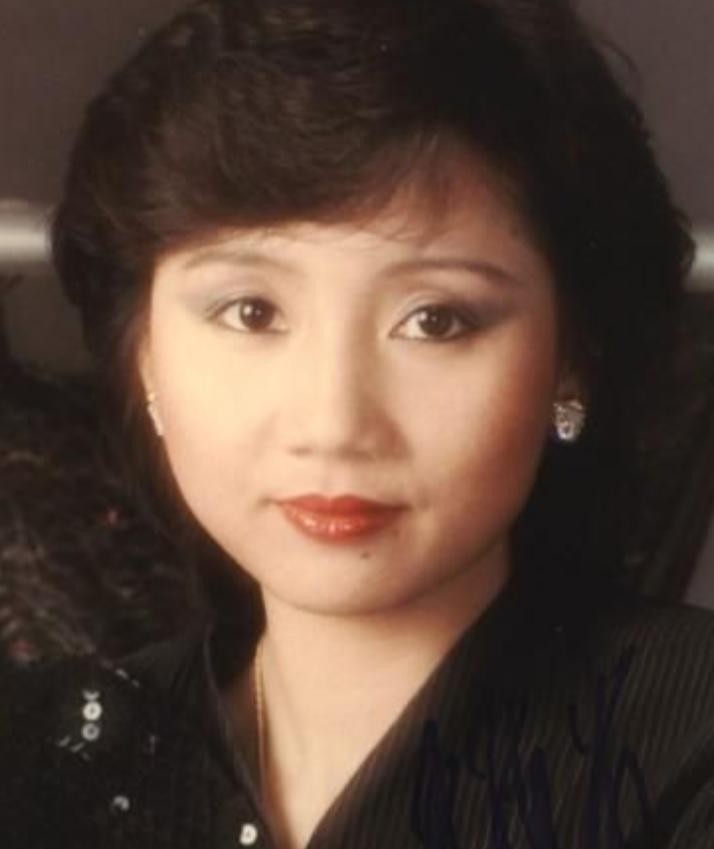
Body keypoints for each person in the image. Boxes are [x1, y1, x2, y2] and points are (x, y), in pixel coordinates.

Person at [2, 0, 713, 846]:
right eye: (251, 312)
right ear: (146, 356)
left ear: (572, 358)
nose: (335, 422)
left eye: (436, 320)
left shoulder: (688, 737)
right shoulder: (43, 756)